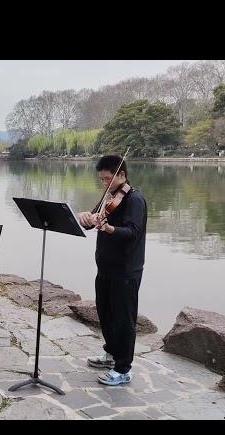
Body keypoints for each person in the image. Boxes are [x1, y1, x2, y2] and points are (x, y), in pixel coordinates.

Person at [76, 154, 147, 386]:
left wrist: (110, 229)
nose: (104, 184)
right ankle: (110, 354)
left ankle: (123, 369)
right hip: (105, 268)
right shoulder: (109, 197)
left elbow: (133, 233)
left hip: (126, 271)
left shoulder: (134, 200)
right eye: (102, 180)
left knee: (123, 320)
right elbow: (92, 223)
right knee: (105, 314)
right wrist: (85, 218)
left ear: (122, 175)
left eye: (108, 179)